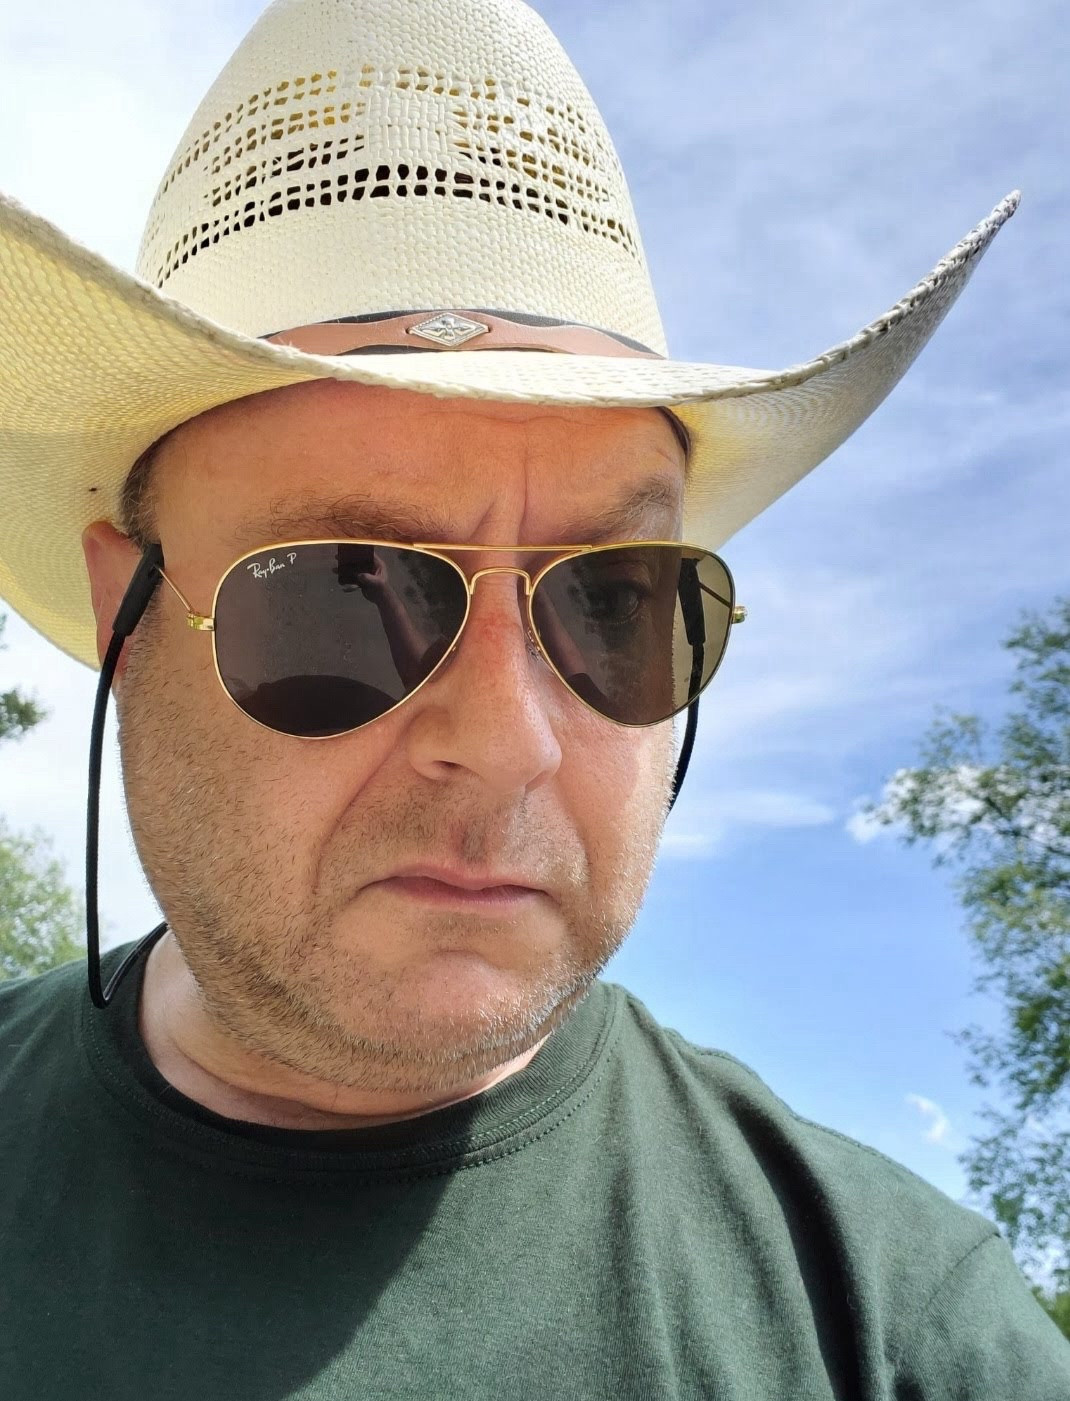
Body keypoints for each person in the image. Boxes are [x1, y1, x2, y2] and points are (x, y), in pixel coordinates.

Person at [0, 0, 1065, 1396]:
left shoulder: (902, 1333)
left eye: (614, 603)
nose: (505, 744)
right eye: (338, 590)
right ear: (124, 618)